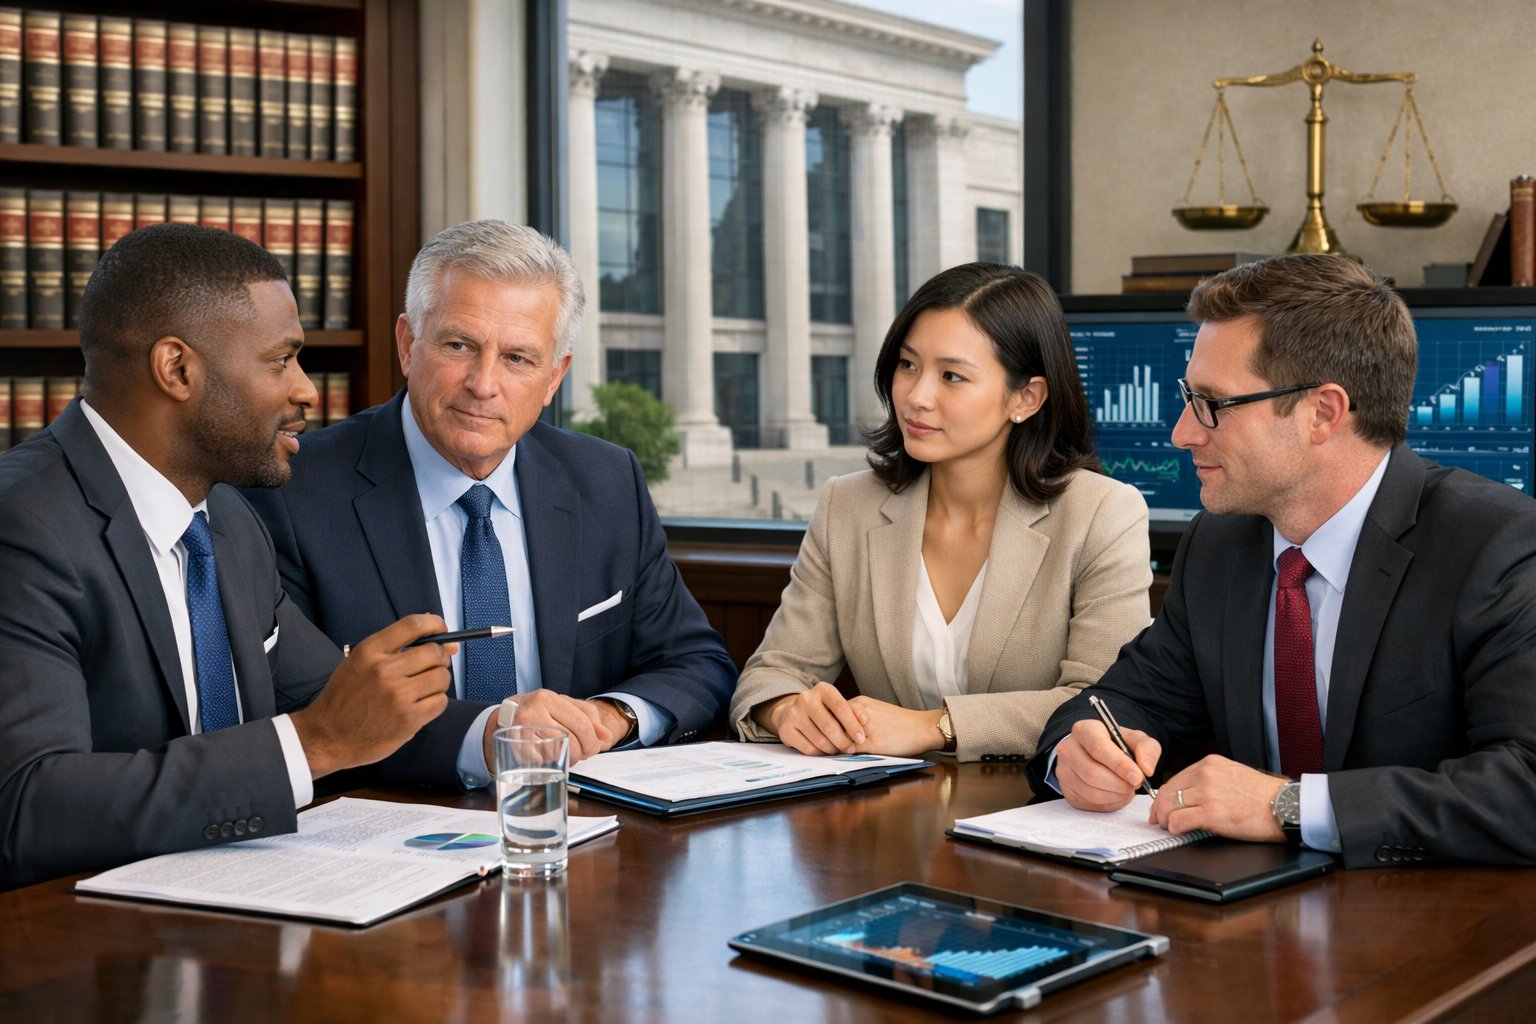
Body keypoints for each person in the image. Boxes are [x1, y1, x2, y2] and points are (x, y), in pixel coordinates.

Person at [0, 224, 494, 890]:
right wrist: (314, 743)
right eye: (280, 359)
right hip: (76, 953)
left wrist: (507, 735)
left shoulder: (228, 517)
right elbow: (28, 805)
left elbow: (340, 704)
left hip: (234, 921)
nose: (306, 391)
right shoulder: (22, 526)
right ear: (177, 369)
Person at [1030, 253, 1536, 868]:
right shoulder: (1219, 544)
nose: (1182, 433)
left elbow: (1524, 786)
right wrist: (1076, 754)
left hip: (1435, 928)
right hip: (1247, 918)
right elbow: (1118, 704)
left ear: (1322, 412)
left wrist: (1289, 806)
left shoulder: (1499, 546)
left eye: (1212, 403)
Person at [244, 220, 734, 765]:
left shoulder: (606, 479)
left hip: (582, 817)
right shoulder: (291, 490)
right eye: (459, 345)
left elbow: (697, 663)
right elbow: (301, 705)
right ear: (408, 345)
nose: (483, 383)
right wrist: (493, 735)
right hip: (388, 823)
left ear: (554, 377)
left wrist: (608, 717)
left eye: (518, 358)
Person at [730, 263, 1152, 761]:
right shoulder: (847, 505)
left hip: (1033, 810)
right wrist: (787, 709)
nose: (916, 396)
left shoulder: (1102, 512)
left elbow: (1101, 705)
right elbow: (770, 673)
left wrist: (936, 727)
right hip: (878, 812)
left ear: (1026, 397)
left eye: (952, 376)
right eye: (908, 365)